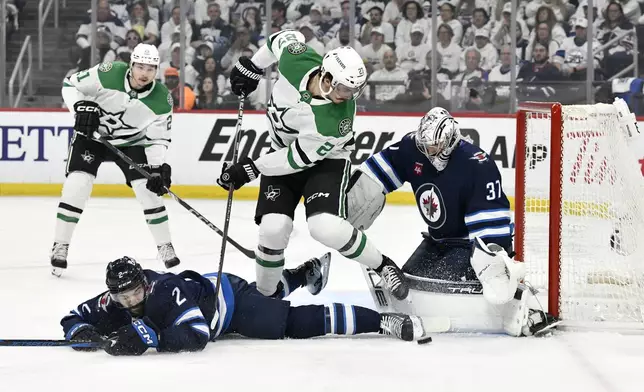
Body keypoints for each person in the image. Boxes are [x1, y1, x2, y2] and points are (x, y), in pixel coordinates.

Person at [216, 29, 410, 302]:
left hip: (326, 161)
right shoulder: (298, 61)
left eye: (355, 89)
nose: (349, 95)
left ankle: (383, 265)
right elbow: (280, 38)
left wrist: (250, 168)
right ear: (326, 77)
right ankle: (266, 298)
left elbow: (294, 160)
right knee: (273, 229)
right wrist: (254, 66)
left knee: (324, 227)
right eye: (344, 88)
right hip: (282, 151)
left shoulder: (335, 121)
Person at [345, 107, 559, 336]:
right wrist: (353, 200)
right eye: (424, 147)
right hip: (437, 241)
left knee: (441, 289)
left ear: (449, 142)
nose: (428, 152)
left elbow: (491, 226)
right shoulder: (412, 148)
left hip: (468, 244)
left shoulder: (477, 165)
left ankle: (523, 308)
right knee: (411, 283)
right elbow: (380, 169)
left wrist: (493, 265)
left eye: (434, 147)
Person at [61, 255, 428, 356]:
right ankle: (303, 274)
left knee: (293, 323)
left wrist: (148, 337)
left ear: (144, 284)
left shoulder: (164, 289)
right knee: (267, 293)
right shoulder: (117, 299)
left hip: (228, 305)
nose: (128, 302)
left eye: (133, 294)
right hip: (213, 289)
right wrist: (85, 331)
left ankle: (381, 323)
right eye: (122, 298)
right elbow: (73, 317)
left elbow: (198, 334)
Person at [52, 44, 178, 276]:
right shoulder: (109, 72)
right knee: (77, 185)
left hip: (131, 143)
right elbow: (70, 84)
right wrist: (79, 110)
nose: (144, 73)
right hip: (92, 136)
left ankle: (165, 246)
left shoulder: (162, 100)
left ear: (157, 70)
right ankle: (60, 245)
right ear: (131, 65)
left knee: (148, 191)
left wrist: (158, 168)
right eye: (140, 66)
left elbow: (158, 138)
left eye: (150, 69)